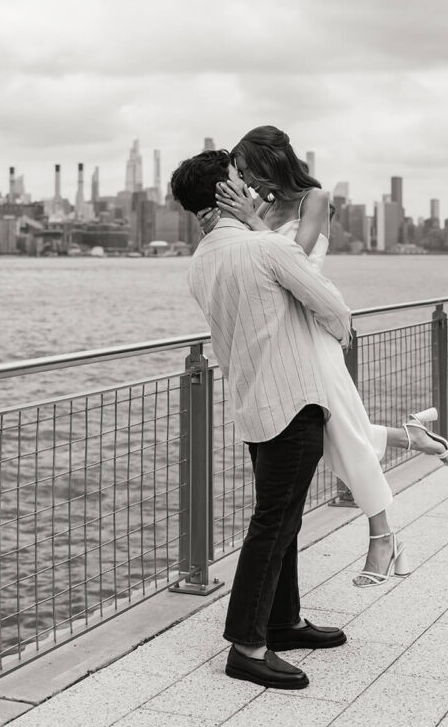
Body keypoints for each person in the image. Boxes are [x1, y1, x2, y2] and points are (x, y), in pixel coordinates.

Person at [205, 125, 448, 587]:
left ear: (270, 161)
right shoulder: (261, 206)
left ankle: (383, 535)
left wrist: (251, 221)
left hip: (313, 330)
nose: (249, 183)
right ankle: (410, 439)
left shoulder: (312, 199)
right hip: (284, 333)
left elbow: (293, 260)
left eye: (249, 171)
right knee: (338, 430)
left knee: (342, 432)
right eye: (241, 176)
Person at [170, 148, 351, 691]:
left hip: (252, 402)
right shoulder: (266, 247)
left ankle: (284, 621)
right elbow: (337, 312)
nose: (247, 183)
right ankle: (247, 646)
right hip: (294, 400)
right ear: (226, 191)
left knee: (282, 517)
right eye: (236, 177)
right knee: (273, 523)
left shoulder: (201, 261)